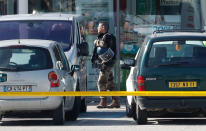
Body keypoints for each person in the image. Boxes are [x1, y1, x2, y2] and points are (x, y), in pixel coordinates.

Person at [91, 22, 120, 108]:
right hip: (104, 62)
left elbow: (104, 45)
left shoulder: (108, 36)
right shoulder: (100, 37)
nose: (97, 28)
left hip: (107, 63)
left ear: (103, 27)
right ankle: (116, 101)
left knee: (101, 81)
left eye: (98, 26)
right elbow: (97, 50)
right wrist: (94, 59)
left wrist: (97, 42)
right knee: (110, 82)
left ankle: (103, 101)